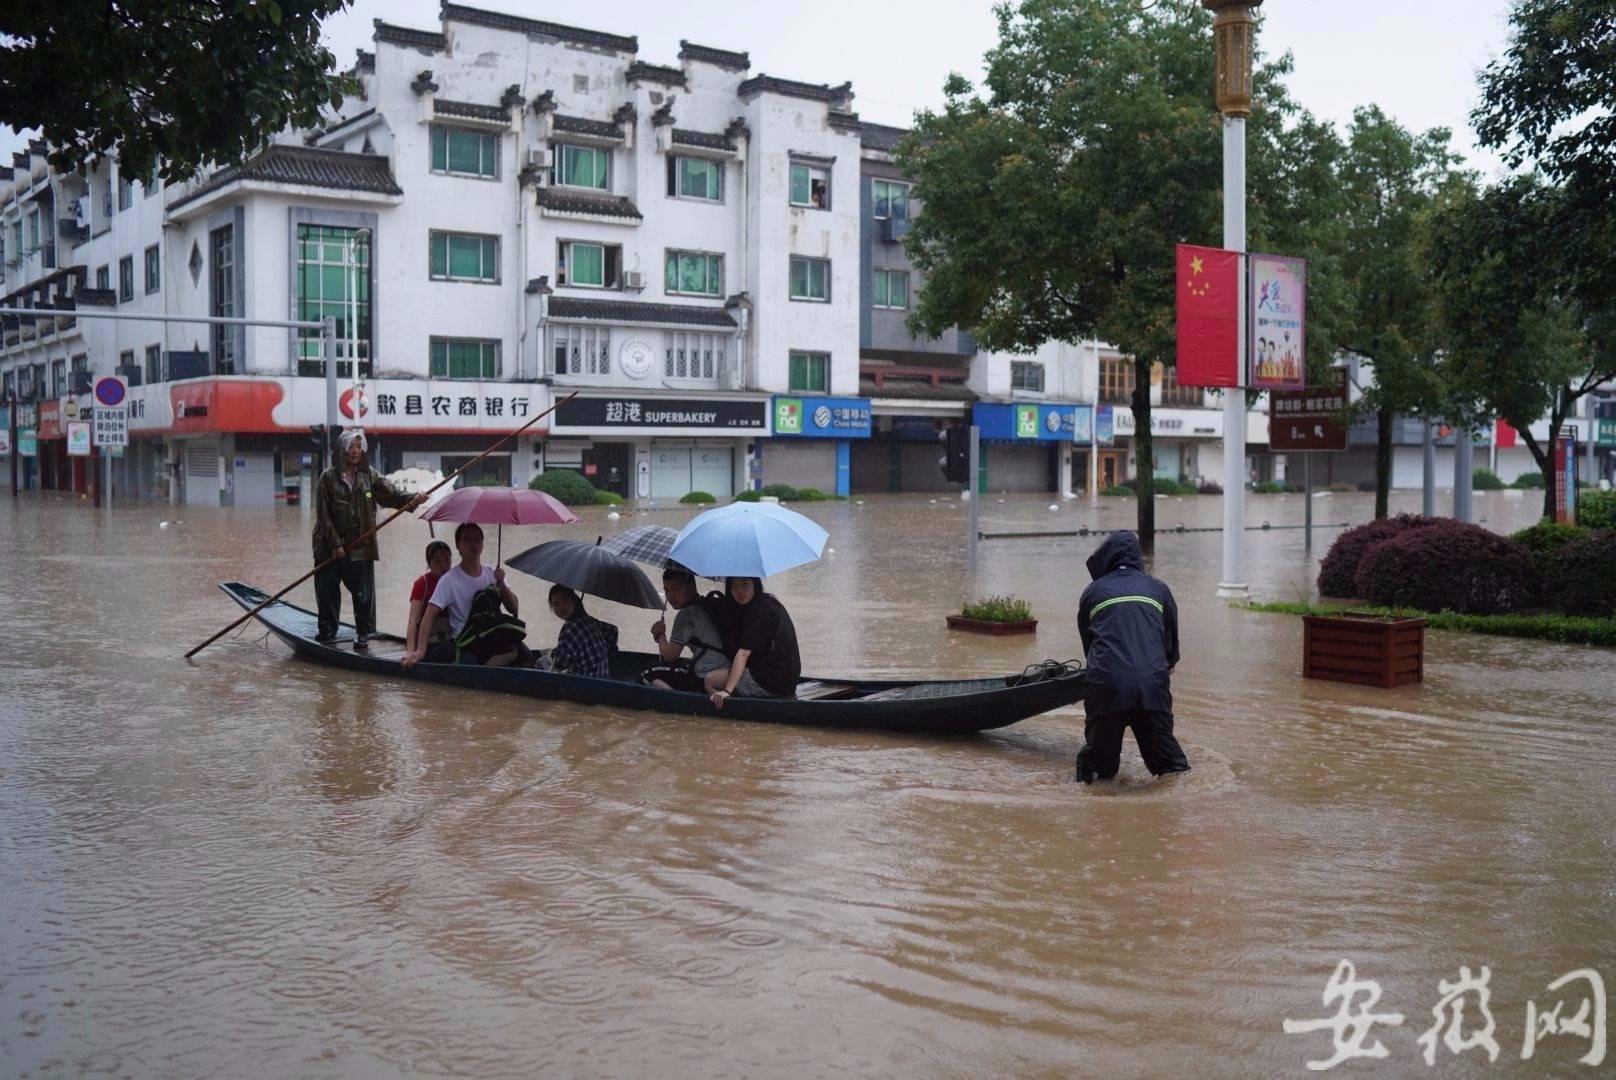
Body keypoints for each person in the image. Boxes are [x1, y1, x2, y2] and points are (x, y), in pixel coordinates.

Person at [1074, 530, 1191, 783]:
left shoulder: (1093, 593)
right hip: (1151, 687)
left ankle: (1090, 812)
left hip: (1106, 687)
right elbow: (1170, 646)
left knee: (1096, 768)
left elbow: (1089, 646)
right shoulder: (1159, 589)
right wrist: (1164, 667)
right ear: (1138, 557)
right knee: (1171, 767)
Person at [313, 428, 426, 648]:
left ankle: (364, 634)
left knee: (363, 595)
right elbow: (323, 516)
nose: (355, 451)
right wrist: (335, 544)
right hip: (329, 548)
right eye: (351, 447)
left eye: (359, 447)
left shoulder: (369, 475)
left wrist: (413, 499)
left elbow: (392, 495)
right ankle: (327, 634)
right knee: (327, 594)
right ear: (342, 450)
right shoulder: (327, 478)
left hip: (359, 546)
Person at [402, 523, 529, 669]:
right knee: (509, 652)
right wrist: (420, 650)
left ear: (482, 545)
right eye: (467, 539)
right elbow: (429, 614)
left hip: (492, 632)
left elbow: (513, 608)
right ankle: (480, 680)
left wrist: (502, 584)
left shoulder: (493, 573)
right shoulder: (449, 579)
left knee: (524, 654)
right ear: (458, 546)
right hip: (467, 639)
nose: (473, 543)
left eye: (477, 539)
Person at [707, 577, 800, 708]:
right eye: (734, 586)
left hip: (772, 680)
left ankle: (725, 706)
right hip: (789, 680)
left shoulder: (759, 610)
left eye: (745, 584)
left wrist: (727, 691)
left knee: (710, 680)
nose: (740, 591)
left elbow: (743, 654)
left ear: (755, 584)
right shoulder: (770, 602)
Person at [645, 565, 729, 692]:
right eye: (667, 590)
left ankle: (675, 702)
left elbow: (669, 656)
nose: (670, 596)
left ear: (691, 587)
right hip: (727, 674)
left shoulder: (686, 615)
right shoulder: (707, 605)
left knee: (647, 673)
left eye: (676, 589)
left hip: (705, 676)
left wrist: (659, 635)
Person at [538, 586, 618, 678]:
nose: (561, 607)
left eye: (565, 601)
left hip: (583, 685)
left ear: (574, 601)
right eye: (556, 604)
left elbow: (560, 663)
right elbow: (613, 630)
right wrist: (608, 651)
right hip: (604, 682)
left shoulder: (571, 627)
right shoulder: (591, 621)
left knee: (541, 662)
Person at [405, 540, 454, 663]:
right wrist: (410, 652)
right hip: (430, 642)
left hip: (452, 640)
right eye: (437, 561)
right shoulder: (422, 583)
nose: (443, 565)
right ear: (429, 563)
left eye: (447, 560)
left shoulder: (455, 581)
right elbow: (412, 621)